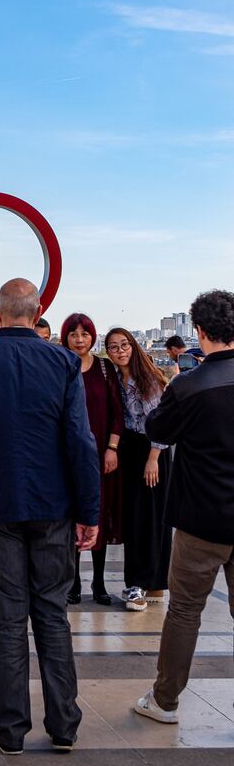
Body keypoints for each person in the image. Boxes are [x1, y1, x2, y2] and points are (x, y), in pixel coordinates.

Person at [0, 278, 100, 755]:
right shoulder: (63, 362)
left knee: (8, 619)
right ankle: (65, 725)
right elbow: (80, 440)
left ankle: (10, 729)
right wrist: (89, 509)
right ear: (38, 311)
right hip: (54, 505)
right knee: (53, 614)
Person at [134, 289, 234, 724]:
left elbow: (157, 427)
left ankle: (165, 700)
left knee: (184, 611)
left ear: (199, 331)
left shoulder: (191, 385)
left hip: (201, 518)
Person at [105, 327, 172, 612]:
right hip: (130, 448)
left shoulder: (150, 378)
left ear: (134, 346)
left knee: (153, 517)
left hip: (152, 450)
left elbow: (161, 423)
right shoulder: (116, 379)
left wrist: (153, 457)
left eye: (124, 345)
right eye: (113, 347)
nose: (120, 351)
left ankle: (146, 582)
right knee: (134, 516)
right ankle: (143, 580)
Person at [61, 314, 123, 605]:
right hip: (68, 456)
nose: (79, 340)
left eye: (84, 334)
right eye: (73, 334)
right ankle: (72, 583)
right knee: (72, 516)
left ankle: (98, 584)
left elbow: (117, 412)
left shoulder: (105, 368)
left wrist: (112, 448)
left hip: (100, 455)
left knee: (100, 514)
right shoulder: (59, 365)